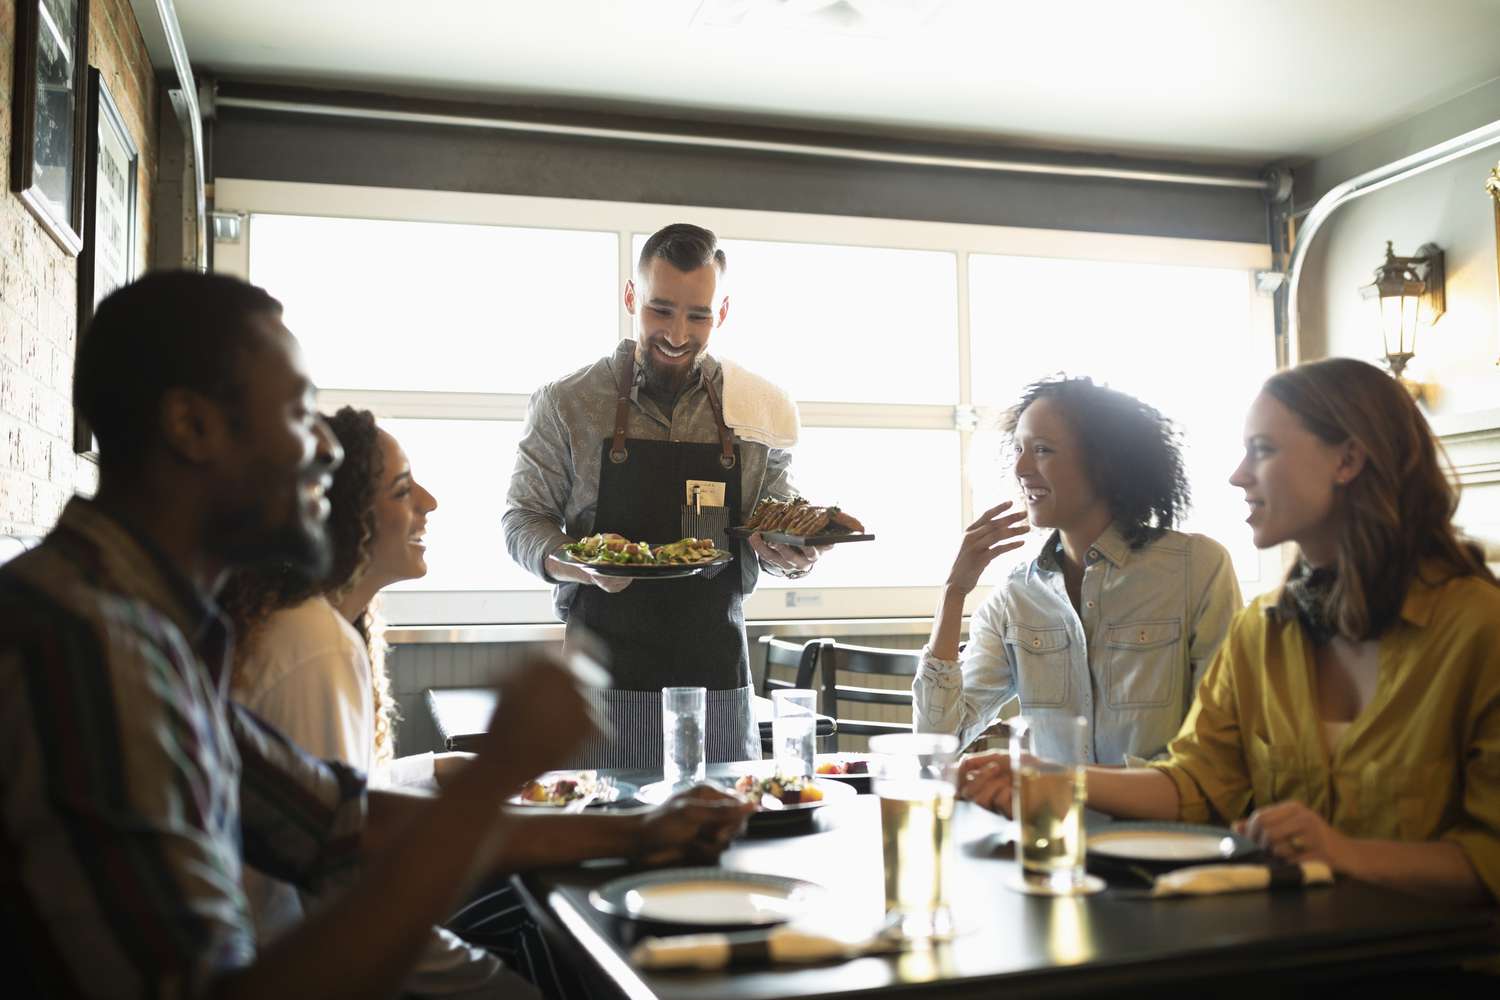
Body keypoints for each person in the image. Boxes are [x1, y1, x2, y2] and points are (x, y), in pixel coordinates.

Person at [0, 272, 748, 999]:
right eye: (296, 413)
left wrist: (643, 829)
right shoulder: (87, 645)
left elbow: (337, 821)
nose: (325, 449)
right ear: (190, 426)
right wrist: (501, 767)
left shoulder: (149, 628)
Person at [959, 358, 1500, 906]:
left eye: (1263, 450)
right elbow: (1195, 783)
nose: (1239, 474)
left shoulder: (1480, 629)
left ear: (1348, 459)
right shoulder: (1264, 632)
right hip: (1286, 951)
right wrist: (1043, 778)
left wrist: (1343, 852)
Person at [504, 223, 819, 766]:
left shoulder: (757, 408)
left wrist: (790, 553)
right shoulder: (567, 403)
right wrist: (581, 564)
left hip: (715, 676)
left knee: (719, 841)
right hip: (598, 682)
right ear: (631, 298)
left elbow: (774, 521)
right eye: (660, 309)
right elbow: (522, 521)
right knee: (604, 838)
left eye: (698, 316)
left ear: (721, 314)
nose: (677, 333)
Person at [914, 376, 1242, 764]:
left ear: (1104, 464)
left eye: (1042, 450)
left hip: (1161, 823)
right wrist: (953, 594)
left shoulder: (1197, 569)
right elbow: (935, 746)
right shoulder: (1014, 598)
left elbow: (1221, 746)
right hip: (1051, 823)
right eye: (1018, 449)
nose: (1020, 468)